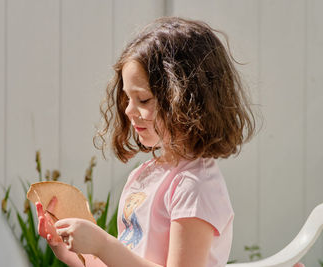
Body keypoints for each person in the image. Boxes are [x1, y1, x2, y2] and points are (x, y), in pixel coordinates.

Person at [37, 16, 253, 266]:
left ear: (185, 101)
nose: (128, 110)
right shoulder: (145, 175)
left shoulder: (195, 187)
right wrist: (67, 249)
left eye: (143, 100)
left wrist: (103, 245)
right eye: (127, 98)